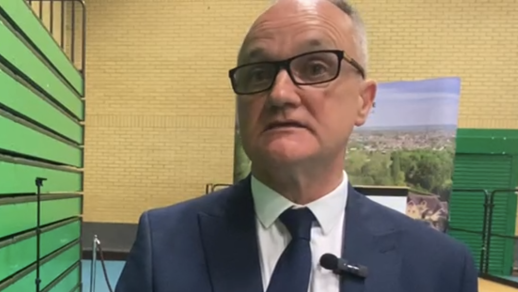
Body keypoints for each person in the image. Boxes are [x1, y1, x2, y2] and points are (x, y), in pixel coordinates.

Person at [114, 0, 478, 291]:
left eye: (316, 68)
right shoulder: (164, 244)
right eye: (258, 74)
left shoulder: (439, 268)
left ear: (363, 102)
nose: (280, 93)